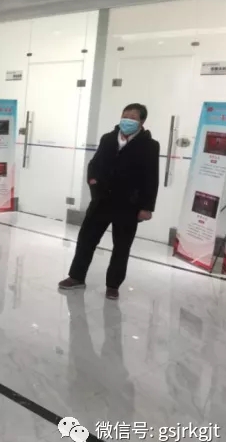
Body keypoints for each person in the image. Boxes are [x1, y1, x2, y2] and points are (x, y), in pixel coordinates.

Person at [59, 103, 159, 300]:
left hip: (129, 204)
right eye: (125, 116)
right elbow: (94, 165)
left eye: (132, 117)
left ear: (142, 122)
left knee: (122, 246)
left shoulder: (150, 145)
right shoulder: (108, 138)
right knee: (86, 239)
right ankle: (76, 276)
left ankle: (113, 285)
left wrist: (147, 207)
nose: (127, 120)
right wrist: (93, 183)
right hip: (102, 200)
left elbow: (151, 177)